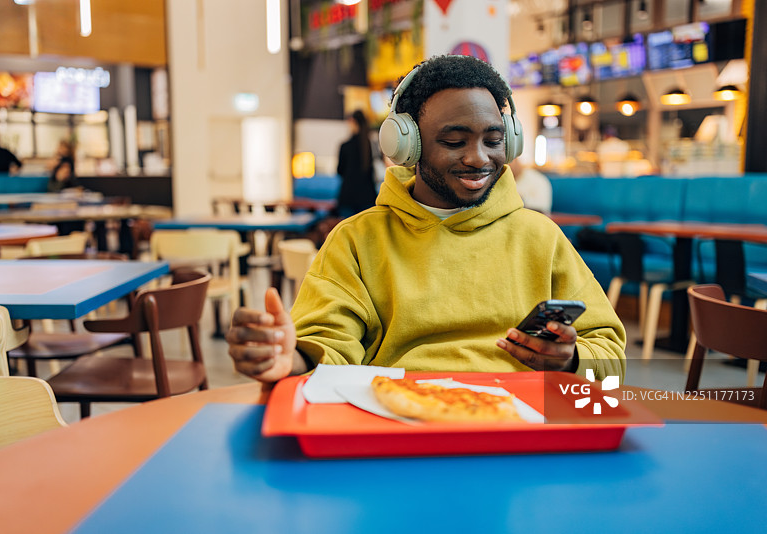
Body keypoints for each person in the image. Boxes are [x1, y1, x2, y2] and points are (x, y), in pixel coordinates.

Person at [227, 55, 625, 383]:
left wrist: (571, 360)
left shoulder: (542, 238)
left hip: (516, 430)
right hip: (398, 422)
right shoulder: (358, 241)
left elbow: (609, 357)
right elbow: (326, 345)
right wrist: (290, 359)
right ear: (406, 145)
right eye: (454, 142)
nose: (479, 158)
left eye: (494, 139)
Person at [335, 109, 378, 217]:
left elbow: (339, 171)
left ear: (353, 122)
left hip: (348, 197)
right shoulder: (370, 145)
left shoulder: (345, 146)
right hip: (367, 198)